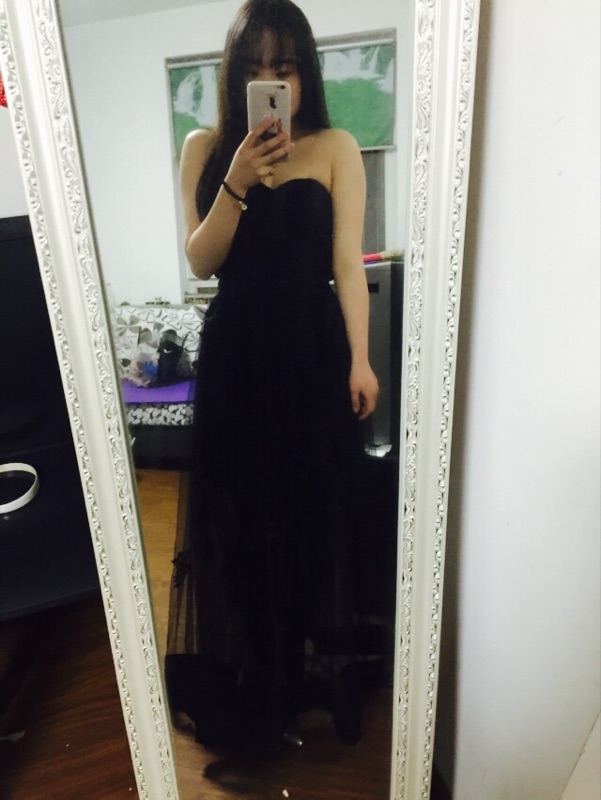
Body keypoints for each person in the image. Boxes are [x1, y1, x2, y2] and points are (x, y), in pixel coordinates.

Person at [164, 0, 379, 760]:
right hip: (237, 358)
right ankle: (258, 675)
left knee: (309, 515)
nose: (270, 80)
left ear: (303, 72)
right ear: (234, 75)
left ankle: (299, 665)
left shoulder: (336, 146)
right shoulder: (204, 148)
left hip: (313, 355)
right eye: (254, 67)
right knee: (242, 523)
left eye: (283, 67)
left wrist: (360, 358)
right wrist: (235, 179)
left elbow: (347, 264)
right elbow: (201, 261)